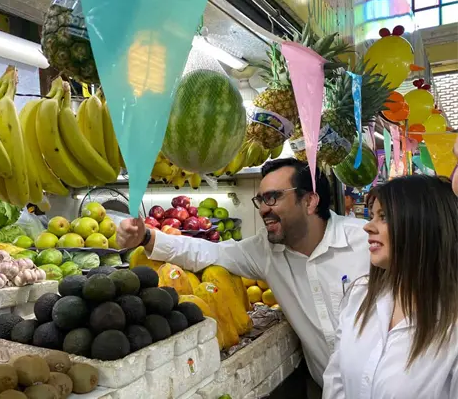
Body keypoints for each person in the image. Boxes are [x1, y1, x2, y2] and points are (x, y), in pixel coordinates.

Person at [117, 158, 370, 394]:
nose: (263, 209)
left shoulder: (368, 243)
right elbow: (207, 252)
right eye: (260, 199)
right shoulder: (265, 252)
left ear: (310, 201)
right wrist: (147, 237)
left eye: (273, 197)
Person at [322, 175, 458, 398]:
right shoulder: (359, 295)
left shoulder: (451, 324)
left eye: (383, 217)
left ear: (423, 225)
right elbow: (336, 381)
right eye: (372, 216)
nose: (368, 227)